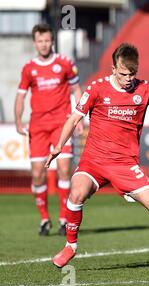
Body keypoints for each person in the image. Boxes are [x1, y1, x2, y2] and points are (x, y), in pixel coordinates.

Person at [46, 43, 149, 269]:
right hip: (94, 160)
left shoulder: (144, 89)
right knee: (76, 193)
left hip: (124, 164)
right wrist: (58, 146)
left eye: (132, 74)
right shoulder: (96, 88)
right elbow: (74, 118)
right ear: (113, 68)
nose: (128, 79)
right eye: (123, 73)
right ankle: (70, 246)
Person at [15, 23, 83, 236]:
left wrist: (79, 117)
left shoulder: (65, 63)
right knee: (37, 175)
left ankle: (64, 218)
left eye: (47, 40)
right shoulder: (29, 68)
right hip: (38, 125)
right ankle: (44, 219)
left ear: (52, 41)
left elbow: (76, 89)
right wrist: (18, 119)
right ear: (35, 43)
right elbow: (21, 95)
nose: (44, 44)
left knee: (64, 169)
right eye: (40, 41)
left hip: (62, 124)